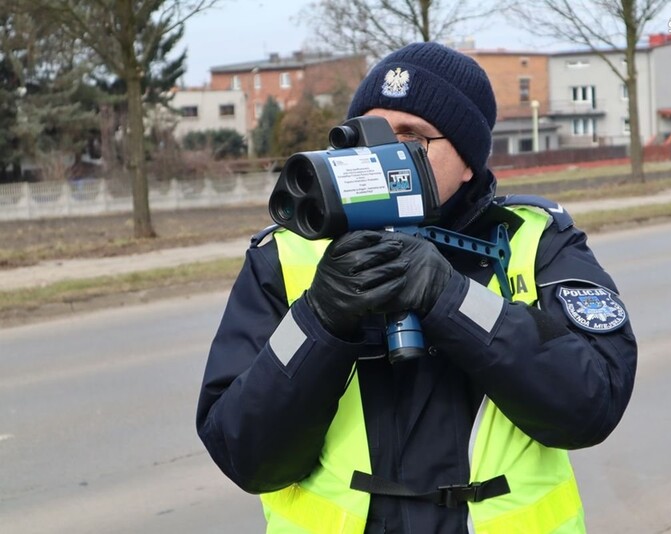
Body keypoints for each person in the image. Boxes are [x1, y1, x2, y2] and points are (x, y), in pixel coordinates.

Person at [197, 42, 637, 534]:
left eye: (410, 137)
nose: (380, 155)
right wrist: (320, 320)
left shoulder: (535, 239)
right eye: (367, 134)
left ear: (468, 160)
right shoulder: (286, 255)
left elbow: (591, 404)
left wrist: (450, 299)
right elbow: (245, 455)